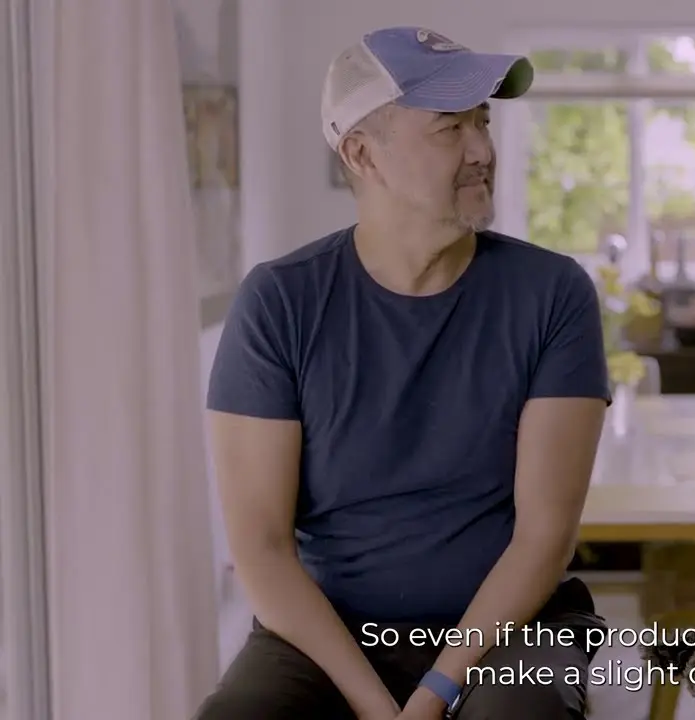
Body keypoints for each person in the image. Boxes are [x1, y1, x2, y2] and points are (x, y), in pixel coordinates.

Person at [196, 27, 610, 720]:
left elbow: (545, 536)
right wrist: (376, 705)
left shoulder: (553, 294)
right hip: (328, 635)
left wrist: (436, 691)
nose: (483, 148)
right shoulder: (280, 301)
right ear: (362, 154)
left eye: (483, 120)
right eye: (451, 127)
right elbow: (261, 547)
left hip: (514, 629)